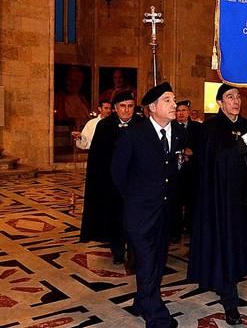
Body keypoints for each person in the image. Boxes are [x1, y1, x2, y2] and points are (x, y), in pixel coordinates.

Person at [187, 84, 247, 324]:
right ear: (220, 103)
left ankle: (230, 282)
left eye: (238, 96)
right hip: (219, 201)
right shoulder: (210, 129)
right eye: (230, 97)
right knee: (224, 247)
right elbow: (218, 161)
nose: (236, 101)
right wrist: (243, 143)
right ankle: (229, 299)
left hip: (243, 198)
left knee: (241, 246)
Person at [110, 83, 184, 328]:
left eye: (173, 100)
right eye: (167, 100)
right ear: (152, 108)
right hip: (140, 213)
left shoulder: (179, 133)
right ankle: (156, 314)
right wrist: (135, 200)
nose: (174, 105)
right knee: (147, 261)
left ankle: (141, 301)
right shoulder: (133, 134)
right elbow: (118, 173)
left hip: (165, 213)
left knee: (157, 260)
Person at [80, 91, 137, 265]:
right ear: (114, 108)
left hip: (136, 184)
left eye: (130, 106)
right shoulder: (105, 126)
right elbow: (98, 158)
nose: (127, 111)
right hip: (112, 185)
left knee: (135, 220)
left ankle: (134, 254)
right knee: (115, 220)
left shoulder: (142, 125)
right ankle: (118, 250)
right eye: (122, 106)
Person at [173, 100, 202, 240]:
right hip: (176, 172)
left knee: (192, 201)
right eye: (178, 111)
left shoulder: (197, 128)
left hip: (193, 172)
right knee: (175, 203)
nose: (181, 114)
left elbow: (203, 146)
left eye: (183, 111)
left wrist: (193, 152)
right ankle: (175, 231)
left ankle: (191, 227)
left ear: (189, 112)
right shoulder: (170, 127)